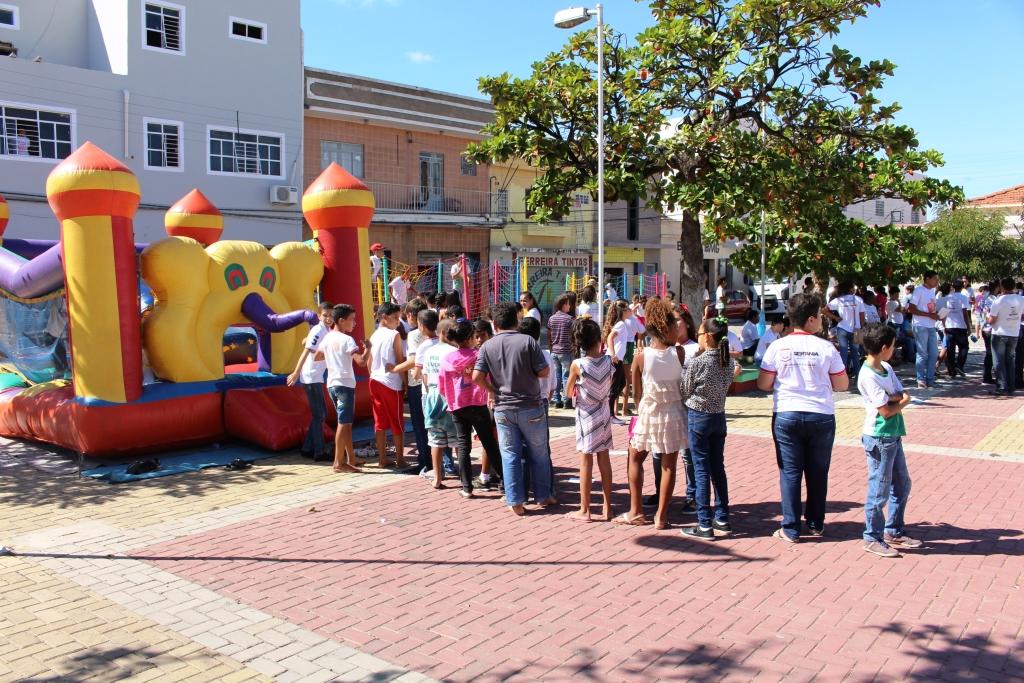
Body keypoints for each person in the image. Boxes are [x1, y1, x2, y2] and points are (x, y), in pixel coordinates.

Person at [758, 293, 848, 543]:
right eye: (819, 316)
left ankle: (790, 527)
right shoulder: (826, 347)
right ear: (811, 319)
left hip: (787, 413)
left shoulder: (778, 345)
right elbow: (841, 384)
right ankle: (816, 523)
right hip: (821, 415)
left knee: (790, 472)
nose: (821, 320)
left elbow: (764, 383)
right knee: (818, 472)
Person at [472, 301, 553, 516]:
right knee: (539, 453)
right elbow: (544, 371)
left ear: (495, 323)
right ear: (516, 320)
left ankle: (515, 500)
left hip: (503, 408)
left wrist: (493, 389)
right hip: (531, 406)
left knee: (509, 455)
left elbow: (476, 377)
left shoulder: (487, 346)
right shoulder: (527, 341)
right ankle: (543, 495)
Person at [617, 298, 685, 529]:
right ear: (665, 328)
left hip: (648, 411)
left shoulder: (641, 356)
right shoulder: (680, 353)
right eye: (675, 326)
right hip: (674, 412)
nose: (678, 329)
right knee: (669, 464)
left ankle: (636, 510)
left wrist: (641, 409)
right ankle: (661, 516)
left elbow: (636, 393)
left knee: (635, 458)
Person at [857, 323, 921, 557]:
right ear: (884, 347)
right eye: (893, 346)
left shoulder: (885, 367)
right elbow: (886, 409)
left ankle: (893, 529)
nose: (894, 349)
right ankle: (872, 536)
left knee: (902, 483)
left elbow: (897, 392)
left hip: (894, 434)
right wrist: (902, 401)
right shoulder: (867, 374)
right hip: (879, 436)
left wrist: (896, 398)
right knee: (879, 489)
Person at [681, 316, 739, 540]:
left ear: (707, 337)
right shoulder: (728, 362)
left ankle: (704, 523)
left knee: (701, 469)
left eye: (700, 334)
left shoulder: (698, 362)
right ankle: (722, 517)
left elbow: (685, 390)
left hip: (699, 417)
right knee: (718, 468)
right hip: (719, 416)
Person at [439, 320, 503, 498]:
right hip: (478, 404)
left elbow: (442, 386)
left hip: (458, 406)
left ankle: (466, 487)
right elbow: (488, 377)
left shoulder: (447, 359)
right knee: (489, 443)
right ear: (469, 338)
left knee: (463, 446)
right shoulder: (478, 356)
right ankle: (505, 483)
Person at [565, 317, 615, 522]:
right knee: (604, 459)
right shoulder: (608, 360)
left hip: (586, 414)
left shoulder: (578, 364)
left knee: (586, 461)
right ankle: (608, 507)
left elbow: (568, 392)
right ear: (598, 339)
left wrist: (579, 388)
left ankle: (585, 509)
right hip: (604, 412)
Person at [317, 304, 371, 473]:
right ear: (341, 320)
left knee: (346, 423)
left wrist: (333, 355)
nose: (354, 323)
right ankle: (338, 463)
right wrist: (368, 349)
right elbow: (361, 362)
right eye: (352, 320)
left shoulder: (327, 338)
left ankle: (351, 458)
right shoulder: (347, 340)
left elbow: (317, 356)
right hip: (344, 385)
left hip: (332, 384)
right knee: (343, 423)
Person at [286, 301, 334, 462]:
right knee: (319, 414)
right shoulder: (318, 330)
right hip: (311, 376)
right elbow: (306, 352)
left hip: (316, 376)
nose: (328, 318)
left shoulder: (326, 330)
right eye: (325, 315)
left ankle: (307, 448)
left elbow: (306, 342)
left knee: (320, 414)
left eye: (330, 316)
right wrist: (296, 372)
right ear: (319, 316)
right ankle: (318, 452)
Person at [388, 301, 431, 473]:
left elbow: (413, 360)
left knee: (419, 425)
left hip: (416, 382)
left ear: (412, 316)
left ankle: (424, 461)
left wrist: (395, 369)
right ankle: (440, 461)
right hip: (432, 382)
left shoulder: (414, 335)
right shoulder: (434, 332)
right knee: (433, 424)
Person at [419, 319, 458, 488]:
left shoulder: (430, 351)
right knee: (458, 439)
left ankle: (437, 477)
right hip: (451, 396)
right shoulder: (454, 351)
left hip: (433, 395)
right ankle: (464, 475)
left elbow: (425, 378)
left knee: (435, 440)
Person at [368, 303, 407, 468]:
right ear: (384, 317)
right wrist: (405, 382)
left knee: (380, 421)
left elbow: (368, 362)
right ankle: (400, 459)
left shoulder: (373, 335)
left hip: (374, 380)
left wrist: (373, 374)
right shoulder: (394, 335)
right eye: (395, 318)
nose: (398, 322)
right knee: (397, 421)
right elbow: (399, 360)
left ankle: (382, 459)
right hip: (390, 383)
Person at [987, 277, 1023, 396]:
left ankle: (1001, 387)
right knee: (1010, 360)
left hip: (999, 333)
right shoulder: (1021, 299)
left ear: (1002, 286)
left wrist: (987, 317)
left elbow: (992, 319)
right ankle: (1011, 386)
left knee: (998, 361)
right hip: (1014, 333)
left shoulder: (999, 300)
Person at [907, 270, 941, 389]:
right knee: (922, 353)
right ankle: (921, 379)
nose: (937, 281)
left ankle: (930, 379)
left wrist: (936, 314)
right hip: (920, 325)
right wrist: (928, 315)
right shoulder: (919, 290)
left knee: (934, 353)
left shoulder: (932, 291)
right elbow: (911, 309)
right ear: (927, 279)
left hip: (931, 325)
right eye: (935, 279)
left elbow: (930, 308)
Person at [825, 281, 866, 380]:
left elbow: (823, 310)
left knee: (843, 353)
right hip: (857, 329)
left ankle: (842, 377)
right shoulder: (858, 299)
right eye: (853, 287)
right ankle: (858, 376)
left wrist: (835, 317)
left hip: (842, 328)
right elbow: (862, 316)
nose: (855, 289)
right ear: (850, 289)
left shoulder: (838, 300)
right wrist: (861, 327)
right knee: (855, 353)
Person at [603, 300, 633, 425]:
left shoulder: (622, 323)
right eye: (628, 309)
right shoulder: (620, 324)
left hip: (618, 359)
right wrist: (613, 353)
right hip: (614, 359)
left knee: (621, 384)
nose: (630, 311)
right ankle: (609, 415)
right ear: (623, 312)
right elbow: (610, 337)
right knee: (615, 387)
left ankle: (609, 413)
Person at [547, 293, 575, 409]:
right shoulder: (570, 319)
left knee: (556, 376)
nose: (570, 306)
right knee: (566, 376)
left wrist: (550, 346)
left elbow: (549, 334)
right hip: (566, 351)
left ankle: (555, 399)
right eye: (568, 304)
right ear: (564, 305)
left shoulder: (552, 318)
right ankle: (566, 400)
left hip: (554, 350)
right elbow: (573, 335)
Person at [942, 282, 971, 378]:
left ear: (953, 287)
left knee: (950, 349)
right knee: (964, 347)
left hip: (949, 326)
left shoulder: (948, 298)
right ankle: (959, 365)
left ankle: (952, 371)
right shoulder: (963, 297)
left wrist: (943, 325)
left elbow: (943, 313)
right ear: (962, 287)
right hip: (961, 326)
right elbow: (965, 312)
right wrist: (968, 326)